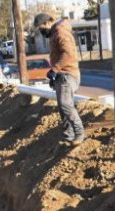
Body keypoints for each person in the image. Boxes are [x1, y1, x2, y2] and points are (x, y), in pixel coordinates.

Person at [34, 13, 84, 145]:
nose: (41, 30)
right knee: (63, 108)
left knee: (66, 104)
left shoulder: (60, 33)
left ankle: (79, 133)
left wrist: (54, 70)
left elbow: (67, 54)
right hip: (62, 75)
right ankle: (68, 136)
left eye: (42, 27)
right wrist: (54, 75)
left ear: (48, 22)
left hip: (68, 74)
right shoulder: (54, 34)